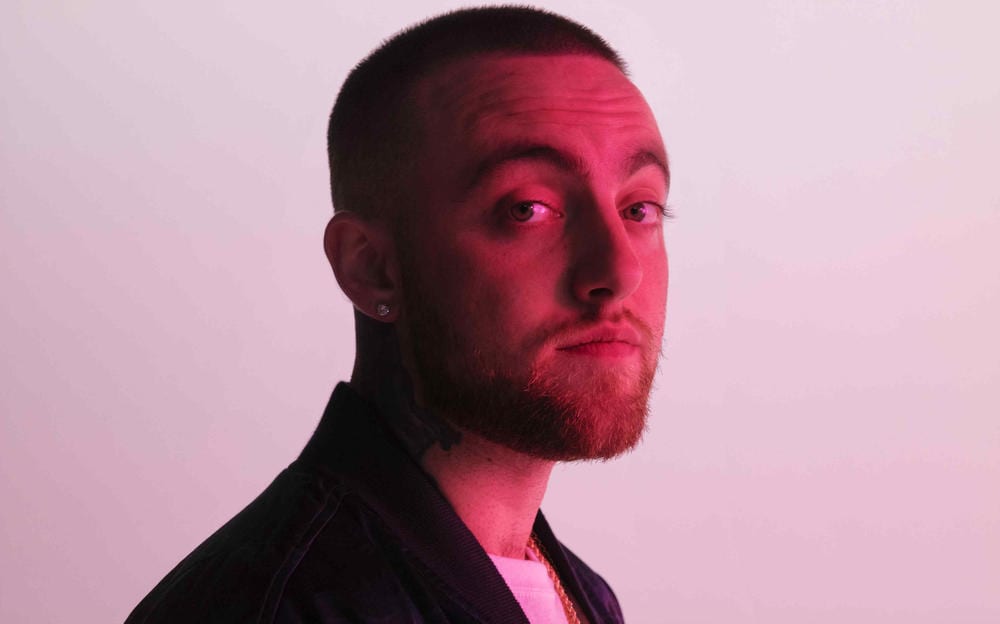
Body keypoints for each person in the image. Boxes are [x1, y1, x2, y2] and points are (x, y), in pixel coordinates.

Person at [126, 6, 670, 623]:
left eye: (640, 209)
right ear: (370, 267)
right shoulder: (275, 609)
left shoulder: (585, 598)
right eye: (527, 208)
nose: (620, 271)